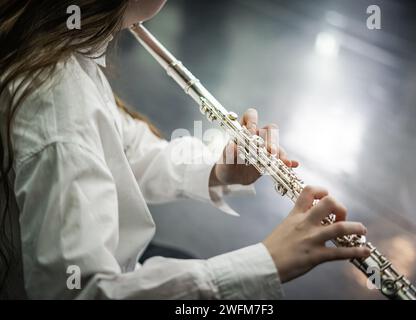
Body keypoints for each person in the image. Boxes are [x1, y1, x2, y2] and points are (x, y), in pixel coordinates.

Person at [0, 0, 370, 299]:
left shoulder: (64, 45)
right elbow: (83, 292)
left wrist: (218, 169)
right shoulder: (56, 105)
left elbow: (125, 150)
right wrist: (267, 262)